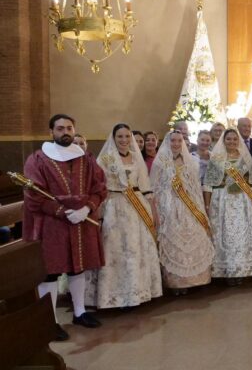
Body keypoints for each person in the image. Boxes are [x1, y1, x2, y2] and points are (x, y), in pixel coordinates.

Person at [23, 114, 106, 340]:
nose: (65, 132)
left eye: (69, 128)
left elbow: (99, 187)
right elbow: (33, 196)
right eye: (60, 129)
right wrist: (61, 212)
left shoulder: (85, 158)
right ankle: (48, 321)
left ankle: (79, 312)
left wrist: (86, 209)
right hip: (52, 224)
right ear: (51, 132)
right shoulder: (37, 159)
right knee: (51, 271)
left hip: (80, 221)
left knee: (77, 267)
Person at [91, 123, 162, 309]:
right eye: (120, 137)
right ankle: (118, 296)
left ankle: (139, 292)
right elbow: (99, 188)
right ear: (113, 138)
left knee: (137, 249)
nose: (124, 140)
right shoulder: (105, 159)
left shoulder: (137, 159)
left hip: (138, 209)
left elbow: (146, 187)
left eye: (126, 136)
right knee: (116, 250)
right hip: (115, 208)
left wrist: (153, 211)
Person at [203, 129, 252, 285]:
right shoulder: (216, 159)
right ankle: (227, 270)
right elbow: (208, 185)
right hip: (222, 202)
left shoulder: (246, 159)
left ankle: (244, 269)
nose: (232, 142)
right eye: (228, 139)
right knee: (226, 235)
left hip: (244, 201)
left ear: (239, 141)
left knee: (244, 235)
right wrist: (207, 205)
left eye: (235, 139)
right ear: (224, 141)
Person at [150, 131, 214, 295]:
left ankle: (197, 279)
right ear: (167, 142)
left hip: (190, 207)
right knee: (173, 242)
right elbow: (155, 188)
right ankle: (177, 283)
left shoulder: (192, 161)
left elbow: (195, 187)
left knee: (195, 238)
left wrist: (200, 207)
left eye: (179, 141)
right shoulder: (160, 162)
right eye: (173, 141)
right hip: (169, 207)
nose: (176, 144)